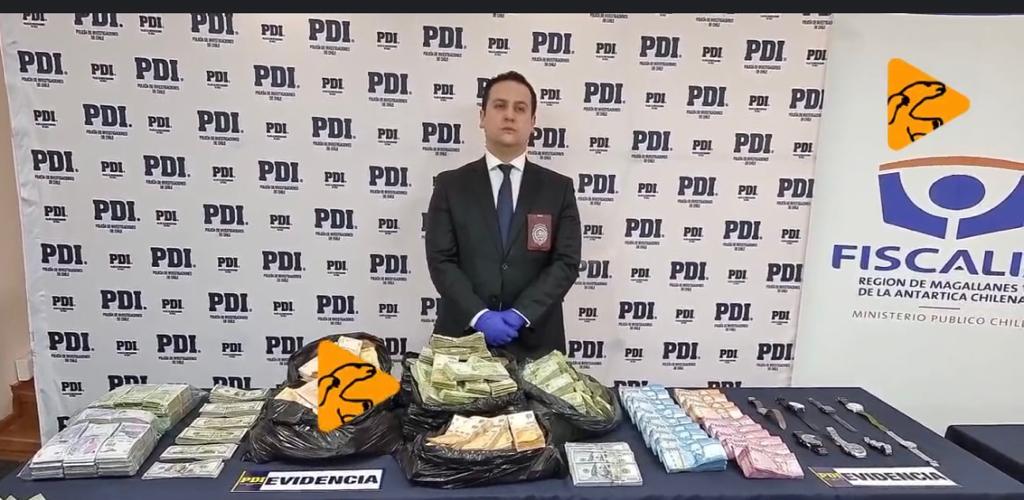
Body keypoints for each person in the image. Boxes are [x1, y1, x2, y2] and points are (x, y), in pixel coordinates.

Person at [424, 70, 582, 360]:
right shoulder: (450, 186)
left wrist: (521, 314)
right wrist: (479, 315)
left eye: (520, 109)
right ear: (482, 116)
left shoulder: (558, 189)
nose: (509, 115)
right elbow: (441, 260)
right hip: (462, 340)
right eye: (500, 106)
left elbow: (566, 262)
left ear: (533, 122)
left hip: (537, 345)